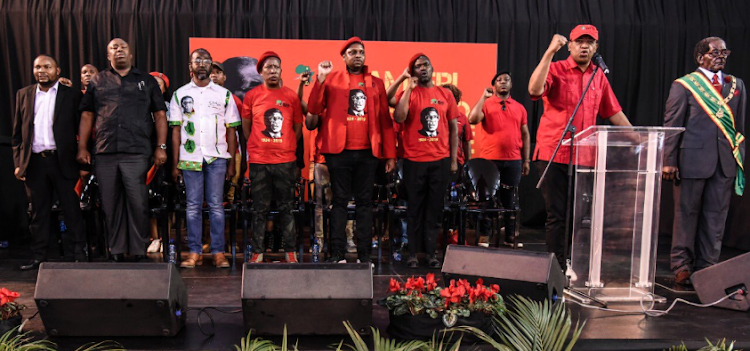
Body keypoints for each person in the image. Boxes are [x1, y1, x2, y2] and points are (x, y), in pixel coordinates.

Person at [528, 25, 632, 270]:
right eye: (579, 41)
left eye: (590, 42)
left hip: (585, 158)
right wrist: (549, 53)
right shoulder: (555, 69)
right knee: (558, 216)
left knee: (578, 218)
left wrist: (638, 139)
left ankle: (574, 266)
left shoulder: (598, 76)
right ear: (570, 45)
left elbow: (614, 112)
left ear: (596, 47)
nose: (584, 46)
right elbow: (534, 90)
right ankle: (556, 269)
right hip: (554, 154)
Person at [663, 37, 746, 286]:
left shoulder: (737, 84)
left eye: (724, 52)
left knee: (716, 215)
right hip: (691, 159)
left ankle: (708, 266)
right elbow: (672, 124)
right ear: (701, 57)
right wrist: (668, 159)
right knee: (685, 214)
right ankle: (681, 266)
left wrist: (739, 157)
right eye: (714, 52)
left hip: (725, 161)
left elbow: (739, 127)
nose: (721, 56)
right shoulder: (685, 85)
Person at [307, 37, 396, 264]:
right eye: (352, 52)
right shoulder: (332, 79)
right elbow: (315, 108)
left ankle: (364, 255)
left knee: (366, 204)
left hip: (368, 152)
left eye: (361, 52)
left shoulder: (376, 83)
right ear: (344, 57)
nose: (357, 55)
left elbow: (386, 120)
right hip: (339, 152)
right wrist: (320, 79)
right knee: (339, 203)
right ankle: (337, 253)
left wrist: (390, 154)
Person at [78, 38, 168, 262]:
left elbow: (159, 114)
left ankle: (138, 250)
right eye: (113, 48)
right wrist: (82, 147)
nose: (119, 50)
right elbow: (87, 114)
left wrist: (161, 146)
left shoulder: (146, 81)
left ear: (131, 54)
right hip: (105, 151)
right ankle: (116, 250)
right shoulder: (97, 80)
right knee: (110, 203)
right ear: (108, 56)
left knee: (138, 203)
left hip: (137, 151)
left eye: (123, 47)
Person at [12, 55, 87, 270]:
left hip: (63, 161)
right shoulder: (23, 94)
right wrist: (19, 162)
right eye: (37, 66)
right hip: (34, 163)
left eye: (47, 66)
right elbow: (17, 134)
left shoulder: (71, 95)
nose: (41, 70)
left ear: (58, 70)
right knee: (38, 212)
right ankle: (39, 256)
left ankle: (78, 255)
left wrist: (83, 163)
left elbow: (82, 130)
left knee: (72, 210)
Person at [169, 49, 239, 268]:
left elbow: (231, 130)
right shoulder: (179, 94)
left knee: (217, 206)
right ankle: (194, 252)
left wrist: (231, 162)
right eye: (197, 60)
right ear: (190, 66)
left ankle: (218, 252)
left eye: (206, 60)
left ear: (211, 66)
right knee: (193, 206)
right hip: (189, 158)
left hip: (216, 157)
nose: (202, 64)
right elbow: (175, 131)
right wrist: (175, 163)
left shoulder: (223, 94)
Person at [393, 53, 459, 269]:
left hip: (439, 160)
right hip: (414, 160)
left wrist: (453, 159)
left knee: (435, 209)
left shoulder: (445, 94)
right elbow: (400, 117)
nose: (423, 68)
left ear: (432, 67)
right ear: (413, 71)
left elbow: (453, 128)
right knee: (414, 209)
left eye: (426, 64)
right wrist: (409, 88)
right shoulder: (408, 93)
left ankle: (431, 253)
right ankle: (412, 253)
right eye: (418, 66)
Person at [242, 51, 303, 263]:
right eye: (268, 67)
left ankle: (291, 252)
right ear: (261, 72)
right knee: (259, 209)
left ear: (281, 70)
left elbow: (297, 129)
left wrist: (284, 147)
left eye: (276, 67)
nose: (273, 71)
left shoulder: (291, 96)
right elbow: (246, 129)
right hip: (259, 162)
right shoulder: (252, 96)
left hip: (285, 162)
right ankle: (257, 251)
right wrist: (260, 147)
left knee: (287, 208)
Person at [468, 72, 529, 246]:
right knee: (486, 199)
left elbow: (525, 134)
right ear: (493, 85)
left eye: (506, 80)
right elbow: (472, 119)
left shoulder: (519, 107)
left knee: (509, 200)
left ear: (511, 84)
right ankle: (484, 236)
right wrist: (483, 97)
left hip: (513, 160)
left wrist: (526, 160)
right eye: (499, 80)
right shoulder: (486, 104)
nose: (503, 83)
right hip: (490, 161)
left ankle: (510, 237)